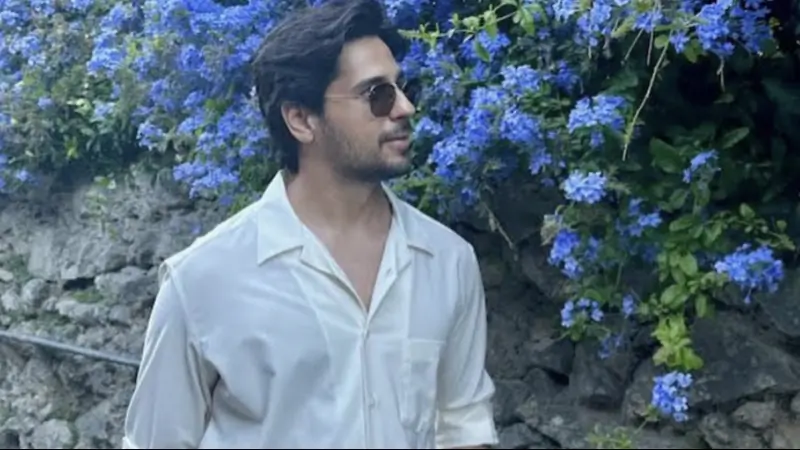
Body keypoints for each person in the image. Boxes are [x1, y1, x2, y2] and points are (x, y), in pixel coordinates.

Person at [121, 0, 498, 448]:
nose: (405, 107)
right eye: (376, 95)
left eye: (403, 87)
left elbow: (462, 425)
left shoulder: (447, 261)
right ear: (301, 119)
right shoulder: (203, 280)